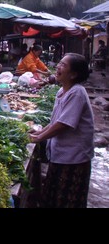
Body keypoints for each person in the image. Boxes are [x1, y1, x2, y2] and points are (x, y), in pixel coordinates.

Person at [29, 53, 94, 208]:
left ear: (73, 74)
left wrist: (39, 139)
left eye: (63, 65)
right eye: (59, 63)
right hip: (60, 155)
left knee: (67, 201)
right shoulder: (62, 92)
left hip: (74, 158)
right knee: (53, 198)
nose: (58, 67)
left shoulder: (77, 92)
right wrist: (38, 133)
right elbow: (55, 121)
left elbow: (64, 124)